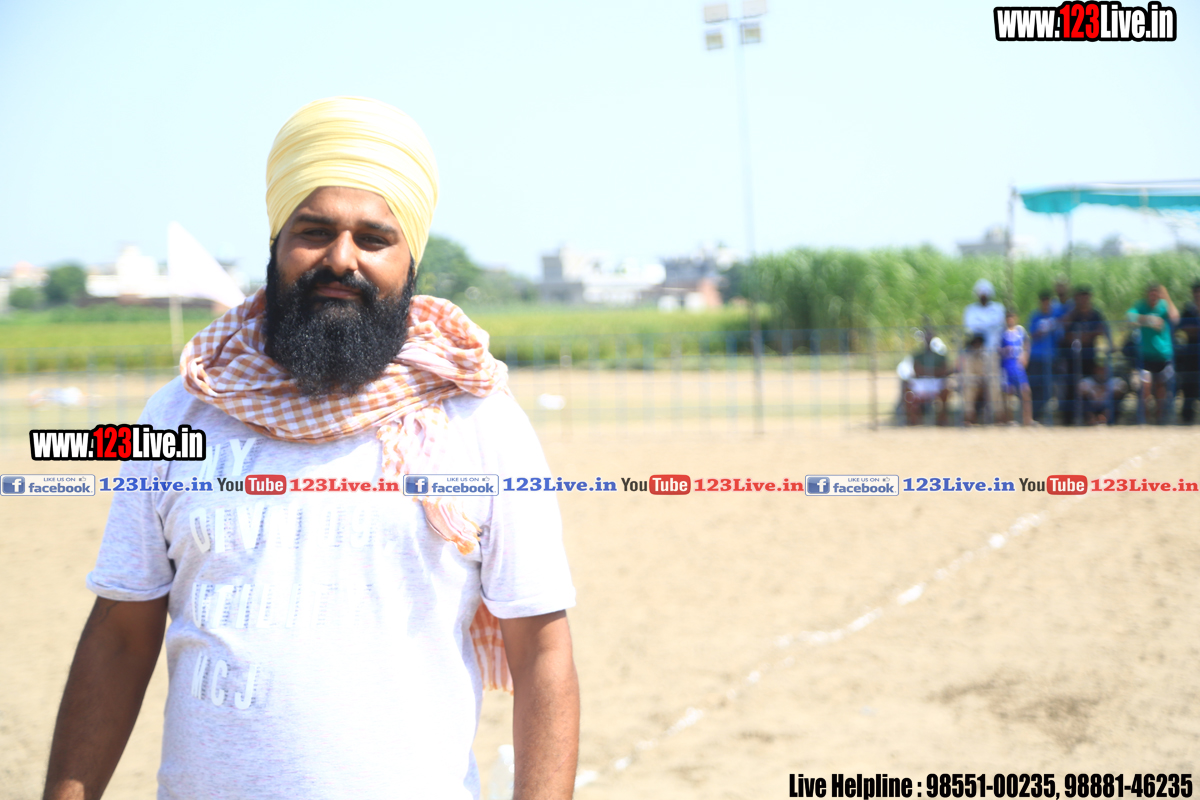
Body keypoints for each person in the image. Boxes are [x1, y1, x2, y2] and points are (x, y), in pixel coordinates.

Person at [43, 97, 580, 800]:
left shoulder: (478, 420)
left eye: (374, 239)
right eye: (315, 231)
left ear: (410, 261)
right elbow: (120, 634)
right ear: (276, 242)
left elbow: (541, 650)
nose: (341, 259)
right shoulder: (182, 411)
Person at [1127, 281, 1180, 424]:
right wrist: (1149, 320)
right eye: (1151, 294)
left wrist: (1167, 297)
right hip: (1146, 356)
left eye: (1156, 294)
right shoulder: (1141, 305)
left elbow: (1175, 318)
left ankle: (1159, 417)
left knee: (1161, 387)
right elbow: (1130, 317)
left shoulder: (1164, 306)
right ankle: (1144, 418)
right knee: (1145, 386)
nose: (1153, 297)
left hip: (1163, 355)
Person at [1058, 286, 1110, 425]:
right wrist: (1085, 336)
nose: (1083, 300)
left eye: (1086, 297)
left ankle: (1091, 417)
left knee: (1089, 387)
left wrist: (1086, 336)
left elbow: (1102, 330)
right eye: (1080, 297)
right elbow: (1066, 335)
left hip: (1089, 357)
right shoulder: (1072, 315)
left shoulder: (1095, 314)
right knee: (1070, 387)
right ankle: (1068, 420)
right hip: (1071, 359)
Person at [962, 278, 1005, 422]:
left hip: (991, 352)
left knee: (994, 383)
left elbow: (993, 325)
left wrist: (981, 326)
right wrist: (987, 326)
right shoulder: (970, 310)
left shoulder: (998, 309)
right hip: (973, 352)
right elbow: (970, 328)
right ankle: (969, 416)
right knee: (969, 382)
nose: (983, 296)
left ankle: (998, 416)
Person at [905, 322, 950, 426]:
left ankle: (942, 418)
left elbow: (943, 371)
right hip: (922, 382)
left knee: (946, 389)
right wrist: (934, 371)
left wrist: (926, 371)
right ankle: (912, 418)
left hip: (936, 382)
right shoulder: (917, 355)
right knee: (908, 391)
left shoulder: (940, 356)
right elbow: (917, 371)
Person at [1026, 291, 1058, 423]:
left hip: (1050, 358)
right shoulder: (1035, 316)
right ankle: (1031, 417)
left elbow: (1060, 336)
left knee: (1047, 388)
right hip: (1035, 357)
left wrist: (1054, 326)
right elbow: (1030, 335)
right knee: (1034, 386)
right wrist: (1041, 331)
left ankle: (1035, 414)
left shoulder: (1055, 317)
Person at [999, 309, 1033, 425]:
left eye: (1012, 317)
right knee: (1007, 393)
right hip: (1007, 366)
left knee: (1025, 391)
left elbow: (1027, 344)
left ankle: (1027, 419)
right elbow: (998, 349)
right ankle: (1009, 419)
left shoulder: (1020, 331)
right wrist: (1004, 351)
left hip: (1018, 367)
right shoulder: (1002, 333)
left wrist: (1025, 356)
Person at [1178, 281, 1200, 424]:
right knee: (1189, 386)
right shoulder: (1188, 309)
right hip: (1191, 353)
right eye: (1196, 292)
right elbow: (1184, 328)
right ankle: (1187, 418)